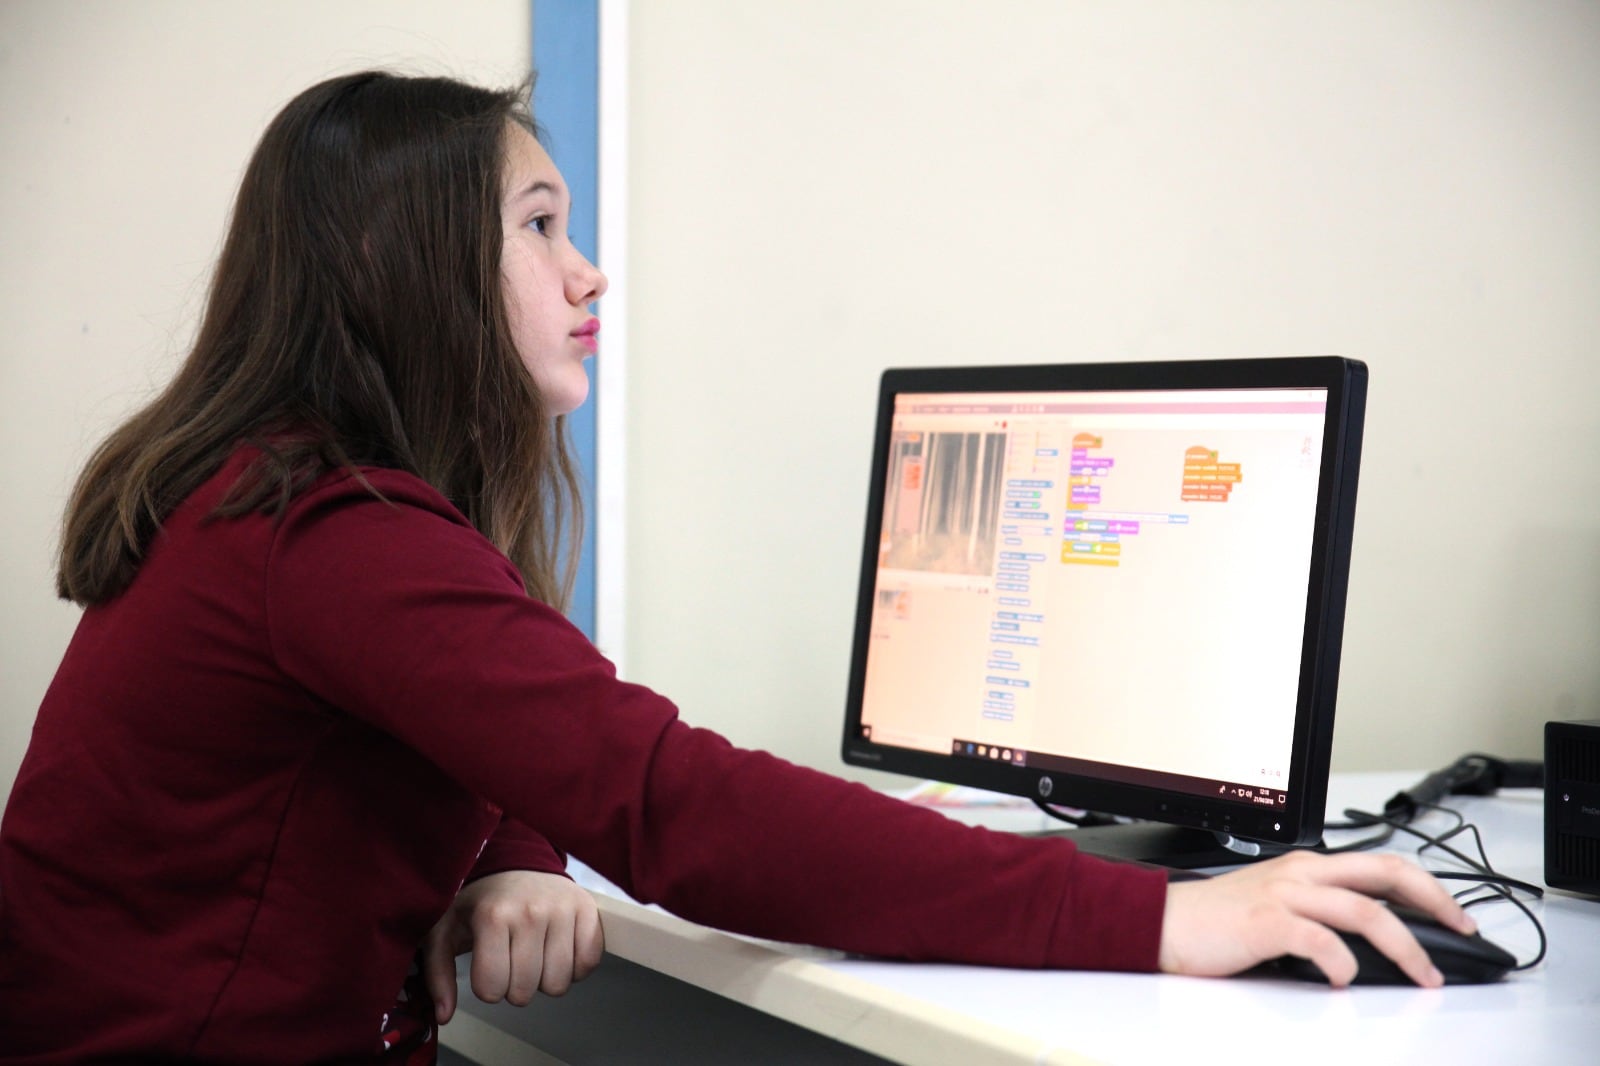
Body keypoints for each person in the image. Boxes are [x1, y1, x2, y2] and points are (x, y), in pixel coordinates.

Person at [0, 70, 1475, 1064]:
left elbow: (496, 740)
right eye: (540, 228)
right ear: (411, 267)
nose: (587, 273)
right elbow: (678, 809)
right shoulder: (338, 538)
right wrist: (1168, 914)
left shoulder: (285, 503)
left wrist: (513, 853)